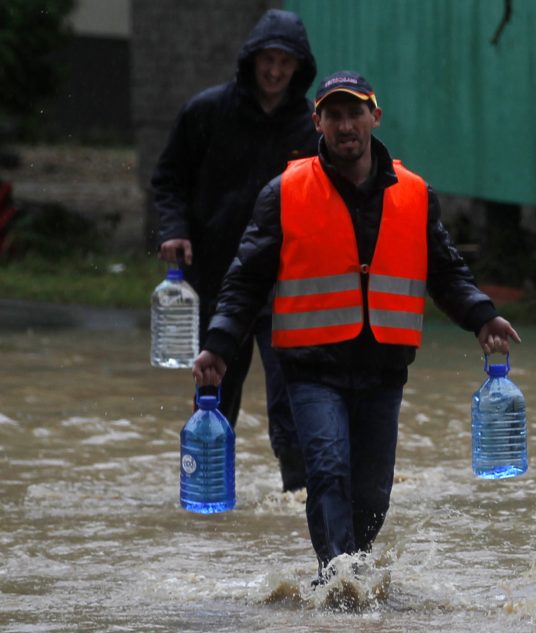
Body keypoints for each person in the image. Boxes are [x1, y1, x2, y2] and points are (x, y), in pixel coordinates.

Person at [192, 70, 521, 579]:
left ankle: (351, 576)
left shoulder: (415, 194)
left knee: (372, 494)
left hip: (382, 369)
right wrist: (218, 344)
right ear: (317, 121)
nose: (346, 125)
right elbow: (245, 280)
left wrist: (481, 316)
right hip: (310, 368)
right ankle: (339, 582)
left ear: (375, 117)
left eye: (355, 113)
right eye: (335, 115)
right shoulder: (284, 192)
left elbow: (446, 270)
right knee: (328, 473)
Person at [151, 9, 318, 492]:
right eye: (268, 59)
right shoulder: (207, 111)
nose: (275, 72)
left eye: (285, 63)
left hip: (286, 287)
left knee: (291, 400)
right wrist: (175, 229)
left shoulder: (311, 128)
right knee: (214, 392)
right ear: (251, 60)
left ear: (298, 68)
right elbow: (169, 180)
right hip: (218, 279)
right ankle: (205, 496)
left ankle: (300, 500)